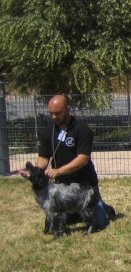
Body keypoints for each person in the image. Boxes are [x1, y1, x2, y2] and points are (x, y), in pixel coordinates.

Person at [35, 94, 114, 231]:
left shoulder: (82, 129)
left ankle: (104, 208)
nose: (54, 117)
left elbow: (83, 159)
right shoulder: (49, 130)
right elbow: (43, 158)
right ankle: (76, 212)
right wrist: (35, 173)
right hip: (62, 190)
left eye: (58, 113)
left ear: (68, 109)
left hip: (84, 187)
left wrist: (59, 171)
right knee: (58, 224)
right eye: (51, 113)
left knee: (99, 223)